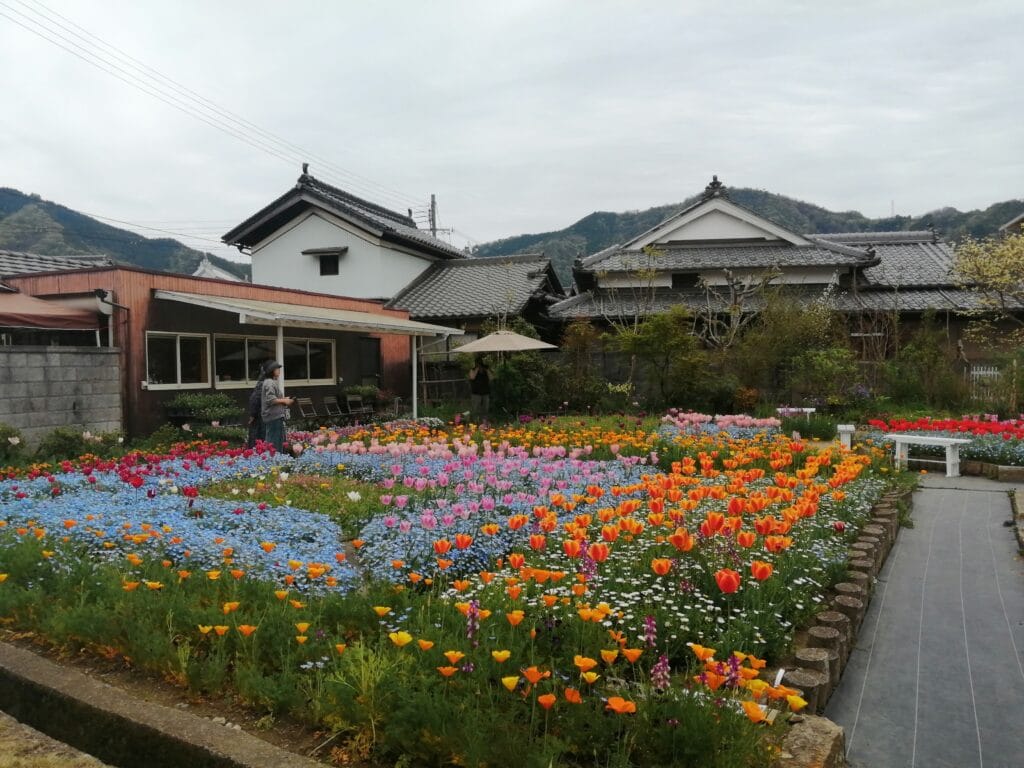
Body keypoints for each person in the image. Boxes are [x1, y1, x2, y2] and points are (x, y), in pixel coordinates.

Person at [260, 361, 294, 453]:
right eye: (277, 369)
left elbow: (274, 398)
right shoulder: (269, 383)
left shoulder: (269, 382)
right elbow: (270, 400)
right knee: (274, 441)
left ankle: (275, 460)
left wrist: (284, 399)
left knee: (276, 440)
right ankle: (274, 461)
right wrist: (285, 401)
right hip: (273, 416)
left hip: (274, 416)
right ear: (271, 371)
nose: (279, 371)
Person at [245, 361, 270, 449]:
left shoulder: (264, 382)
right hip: (260, 416)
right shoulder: (263, 383)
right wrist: (253, 414)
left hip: (264, 415)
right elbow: (254, 399)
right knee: (259, 438)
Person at [468, 355, 490, 421]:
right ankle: (476, 421)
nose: (480, 365)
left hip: (485, 392)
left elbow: (492, 377)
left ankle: (484, 422)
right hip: (476, 393)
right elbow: (472, 377)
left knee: (485, 409)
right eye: (478, 363)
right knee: (476, 409)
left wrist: (487, 370)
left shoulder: (485, 370)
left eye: (480, 363)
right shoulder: (472, 370)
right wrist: (477, 369)